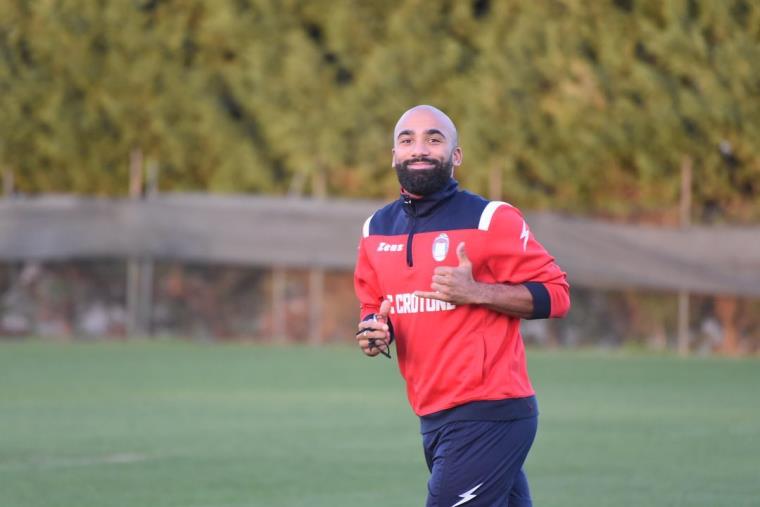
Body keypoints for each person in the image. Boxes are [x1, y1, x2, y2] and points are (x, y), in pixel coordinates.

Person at [353, 105, 570, 507]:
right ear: (394, 155)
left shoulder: (490, 219)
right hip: (432, 415)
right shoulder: (375, 230)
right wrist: (374, 329)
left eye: (434, 139)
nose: (419, 148)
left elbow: (557, 295)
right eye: (407, 140)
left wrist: (479, 292)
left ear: (456, 156)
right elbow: (374, 303)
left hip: (490, 412)